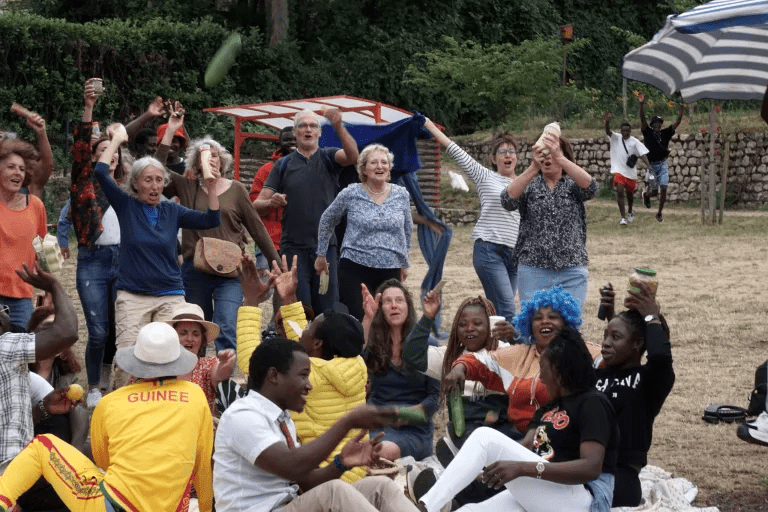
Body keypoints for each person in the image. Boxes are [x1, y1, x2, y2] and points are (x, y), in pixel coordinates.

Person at [0, 321, 214, 511]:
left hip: (112, 504)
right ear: (177, 361)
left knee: (42, 446)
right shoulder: (195, 396)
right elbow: (202, 464)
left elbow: (103, 460)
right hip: (171, 506)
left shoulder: (111, 402)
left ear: (135, 361)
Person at [417, 327, 619, 512]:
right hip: (545, 492)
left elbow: (591, 468)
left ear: (558, 371)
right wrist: (482, 468)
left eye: (543, 369)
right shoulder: (549, 408)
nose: (540, 378)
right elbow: (525, 448)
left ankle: (427, 506)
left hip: (582, 500)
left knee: (485, 437)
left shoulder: (593, 402)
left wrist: (523, 468)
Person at [213, 336, 422, 512]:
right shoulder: (243, 416)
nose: (309, 385)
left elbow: (306, 482)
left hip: (288, 504)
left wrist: (341, 463)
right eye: (303, 376)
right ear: (274, 376)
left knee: (380, 487)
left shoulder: (282, 419)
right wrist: (347, 422)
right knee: (334, 493)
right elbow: (292, 466)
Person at [93, 123, 222, 388]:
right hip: (133, 296)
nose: (154, 186)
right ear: (136, 184)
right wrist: (117, 140)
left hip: (170, 296)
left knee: (169, 359)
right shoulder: (126, 205)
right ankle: (124, 410)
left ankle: (167, 408)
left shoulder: (172, 211)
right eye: (148, 180)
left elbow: (211, 218)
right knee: (128, 358)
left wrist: (211, 188)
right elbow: (101, 171)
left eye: (159, 180)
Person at [158, 109, 279, 352]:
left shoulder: (236, 189)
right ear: (195, 162)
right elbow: (156, 167)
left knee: (225, 325)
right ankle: (196, 378)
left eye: (214, 155)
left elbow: (257, 228)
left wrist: (276, 262)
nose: (210, 159)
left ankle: (223, 382)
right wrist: (170, 130)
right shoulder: (188, 186)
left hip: (231, 272)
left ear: (221, 161)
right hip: (195, 269)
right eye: (205, 155)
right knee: (196, 330)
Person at [403, 293, 521, 507]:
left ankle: (450, 497)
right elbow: (412, 354)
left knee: (498, 476)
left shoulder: (506, 352)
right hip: (464, 431)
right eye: (463, 324)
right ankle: (450, 490)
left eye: (478, 323)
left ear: (491, 326)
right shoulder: (449, 356)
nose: (470, 329)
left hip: (503, 430)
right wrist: (428, 317)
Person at [443, 286, 600, 438]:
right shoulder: (518, 354)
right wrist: (459, 368)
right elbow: (478, 360)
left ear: (566, 322)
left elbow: (615, 356)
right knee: (482, 437)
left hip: (564, 438)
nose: (545, 321)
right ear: (530, 326)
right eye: (538, 318)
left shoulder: (584, 352)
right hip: (519, 436)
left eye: (553, 317)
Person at [253, 108, 359, 314]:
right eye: (302, 126)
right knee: (298, 309)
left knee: (327, 309)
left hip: (326, 248)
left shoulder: (329, 157)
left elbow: (353, 156)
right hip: (293, 250)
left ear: (319, 132)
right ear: (295, 132)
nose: (308, 130)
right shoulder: (282, 165)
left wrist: (338, 125)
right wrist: (271, 202)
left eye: (313, 126)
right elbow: (257, 204)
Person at [423, 119, 520, 322]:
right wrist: (428, 125)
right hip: (489, 252)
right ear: (494, 159)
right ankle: (511, 351)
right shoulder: (485, 176)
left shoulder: (525, 183)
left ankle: (490, 348)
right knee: (508, 311)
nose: (508, 155)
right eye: (502, 152)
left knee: (499, 312)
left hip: (515, 257)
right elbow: (454, 150)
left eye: (512, 151)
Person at [69, 78, 125, 407]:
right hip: (92, 262)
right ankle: (93, 386)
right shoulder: (84, 183)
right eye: (106, 150)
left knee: (117, 332)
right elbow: (80, 148)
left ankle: (105, 373)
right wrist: (89, 107)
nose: (112, 156)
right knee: (99, 331)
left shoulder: (127, 188)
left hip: (124, 263)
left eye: (116, 151)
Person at [596, 281, 674, 507]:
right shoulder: (595, 376)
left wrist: (651, 316)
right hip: (583, 468)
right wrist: (612, 317)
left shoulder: (649, 381)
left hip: (619, 478)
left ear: (638, 343)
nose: (605, 344)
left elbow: (660, 357)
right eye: (605, 336)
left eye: (615, 337)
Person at [315, 144, 412, 320]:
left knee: (387, 320)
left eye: (384, 162)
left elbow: (406, 229)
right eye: (373, 162)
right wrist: (321, 253)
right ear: (364, 169)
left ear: (389, 168)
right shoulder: (351, 192)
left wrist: (405, 261)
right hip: (355, 268)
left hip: (391, 268)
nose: (379, 166)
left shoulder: (401, 194)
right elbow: (327, 219)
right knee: (360, 319)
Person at [501, 133, 598, 309]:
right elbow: (507, 200)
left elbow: (592, 188)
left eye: (551, 153)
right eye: (543, 153)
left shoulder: (572, 184)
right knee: (534, 326)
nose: (547, 158)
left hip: (572, 269)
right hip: (533, 270)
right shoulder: (530, 185)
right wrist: (532, 167)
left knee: (569, 328)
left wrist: (560, 157)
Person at [0, 262, 78, 473]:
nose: (7, 314)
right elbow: (68, 332)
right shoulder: (5, 348)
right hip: (10, 473)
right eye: (3, 310)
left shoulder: (12, 362)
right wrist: (55, 286)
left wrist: (43, 408)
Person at [362, 279, 440, 460]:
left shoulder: (427, 344)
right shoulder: (374, 343)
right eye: (387, 301)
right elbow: (354, 356)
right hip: (377, 424)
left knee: (380, 450)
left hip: (414, 430)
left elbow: (435, 399)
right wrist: (367, 318)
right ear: (381, 309)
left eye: (399, 300)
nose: (394, 306)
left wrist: (401, 416)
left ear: (408, 306)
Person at [0, 136, 46, 328]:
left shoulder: (35, 206)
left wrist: (49, 291)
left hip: (22, 297)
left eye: (21, 168)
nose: (17, 172)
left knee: (22, 355)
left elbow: (42, 252)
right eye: (11, 167)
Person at [167, 302, 236, 418]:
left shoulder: (206, 365)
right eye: (183, 333)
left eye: (196, 334)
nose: (190, 339)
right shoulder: (158, 366)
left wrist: (225, 364)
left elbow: (218, 373)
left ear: (202, 340)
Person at [250, 126, 296, 269]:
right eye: (287, 140)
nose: (292, 143)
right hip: (268, 241)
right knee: (265, 287)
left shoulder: (311, 169)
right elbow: (252, 209)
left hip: (298, 243)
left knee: (293, 289)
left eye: (295, 139)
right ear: (279, 142)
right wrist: (270, 203)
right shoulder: (265, 171)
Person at [638, 92, 685, 222]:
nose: (657, 124)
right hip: (651, 166)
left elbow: (678, 121)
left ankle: (659, 213)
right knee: (654, 192)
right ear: (652, 124)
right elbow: (642, 119)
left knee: (664, 188)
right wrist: (641, 104)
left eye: (659, 123)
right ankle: (646, 195)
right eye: (655, 123)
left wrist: (683, 105)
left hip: (662, 165)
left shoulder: (666, 133)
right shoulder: (647, 132)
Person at [604, 113, 650, 226]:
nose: (625, 133)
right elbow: (608, 131)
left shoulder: (635, 142)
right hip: (619, 171)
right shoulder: (616, 138)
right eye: (623, 131)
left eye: (627, 131)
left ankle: (630, 211)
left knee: (629, 195)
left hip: (630, 173)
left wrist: (649, 165)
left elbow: (642, 154)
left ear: (630, 131)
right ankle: (623, 218)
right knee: (619, 191)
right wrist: (607, 122)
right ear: (621, 131)